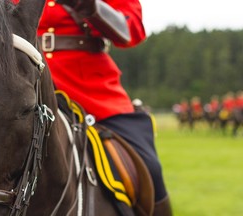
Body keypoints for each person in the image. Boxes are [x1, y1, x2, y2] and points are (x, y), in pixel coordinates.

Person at [13, 0, 172, 215]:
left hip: (90, 89)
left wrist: (89, 5)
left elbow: (130, 28)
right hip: (21, 82)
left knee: (148, 167)